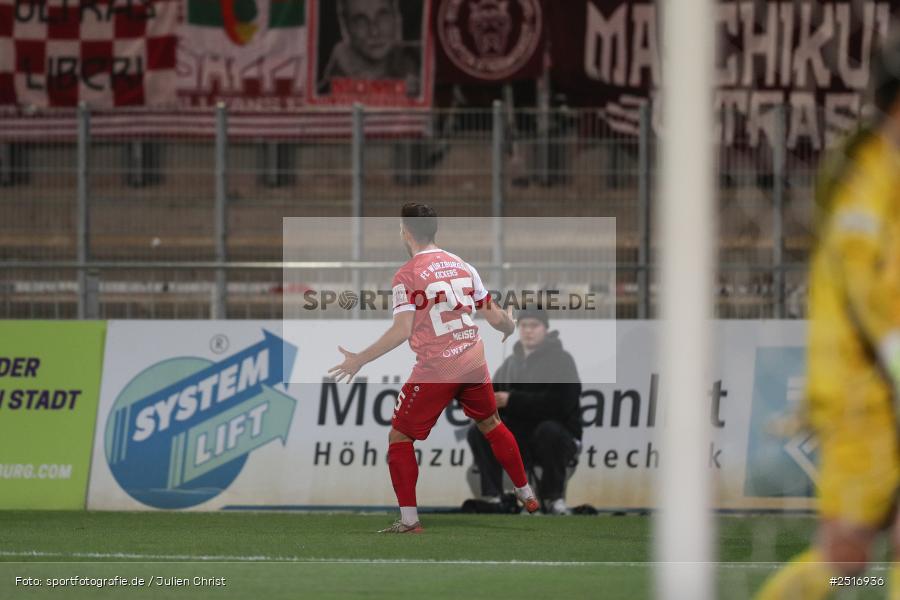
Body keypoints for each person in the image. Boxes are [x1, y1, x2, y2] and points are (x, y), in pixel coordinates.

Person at [755, 34, 900, 599]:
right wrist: (894, 352)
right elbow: (863, 280)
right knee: (849, 558)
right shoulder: (865, 175)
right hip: (863, 390)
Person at [329, 203, 539, 533]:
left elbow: (402, 329)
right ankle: (525, 491)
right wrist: (510, 329)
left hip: (438, 367)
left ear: (405, 232)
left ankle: (410, 521)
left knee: (399, 437)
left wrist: (359, 359)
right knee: (491, 422)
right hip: (472, 359)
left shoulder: (407, 275)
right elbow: (497, 317)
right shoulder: (463, 265)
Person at [467, 307, 582, 515]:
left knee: (549, 431)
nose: (528, 331)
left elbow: (561, 404)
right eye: (524, 326)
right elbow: (492, 394)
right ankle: (495, 498)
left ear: (546, 329)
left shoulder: (562, 360)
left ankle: (553, 499)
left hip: (559, 435)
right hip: (522, 436)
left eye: (534, 325)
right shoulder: (511, 363)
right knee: (480, 430)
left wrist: (512, 400)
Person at [319, 0, 420, 95]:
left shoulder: (420, 61)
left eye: (382, 16)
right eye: (361, 22)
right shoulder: (329, 88)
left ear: (396, 17)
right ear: (345, 26)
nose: (374, 32)